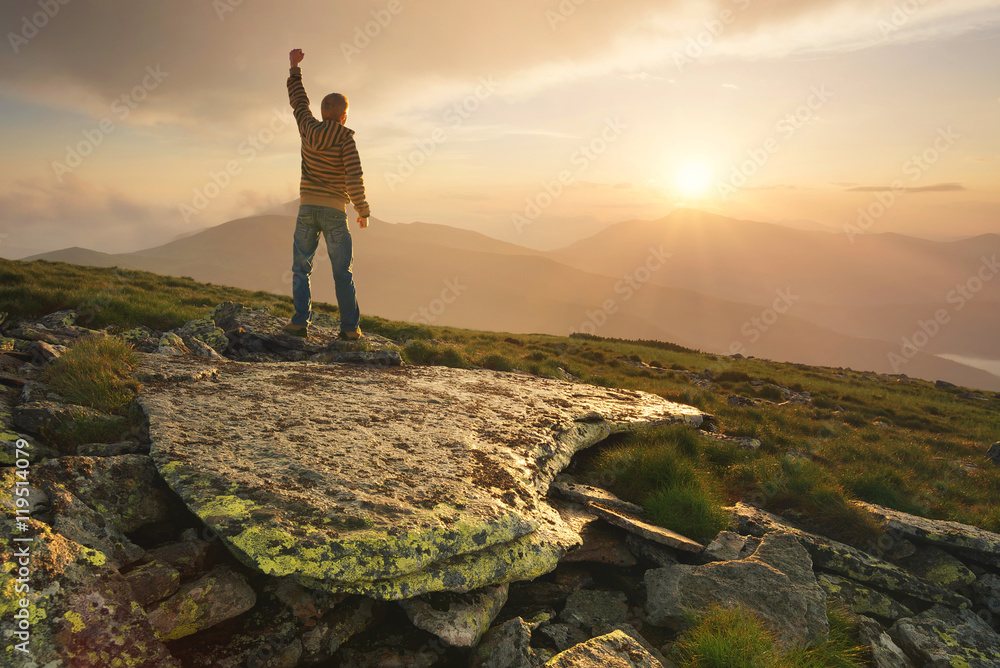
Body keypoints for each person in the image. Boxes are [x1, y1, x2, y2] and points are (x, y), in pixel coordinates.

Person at [283, 48, 370, 339]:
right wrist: (363, 210)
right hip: (335, 212)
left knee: (300, 269)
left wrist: (295, 68)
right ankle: (348, 330)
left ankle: (298, 323)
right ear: (344, 116)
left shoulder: (307, 127)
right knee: (342, 273)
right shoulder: (346, 139)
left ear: (322, 113)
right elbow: (353, 177)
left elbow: (298, 101)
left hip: (307, 210)